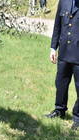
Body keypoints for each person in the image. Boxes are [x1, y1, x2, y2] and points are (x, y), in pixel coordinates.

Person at [46, 0, 79, 130]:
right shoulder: (63, 1)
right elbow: (57, 25)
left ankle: (77, 117)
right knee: (60, 83)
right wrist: (53, 48)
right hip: (64, 51)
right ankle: (59, 110)